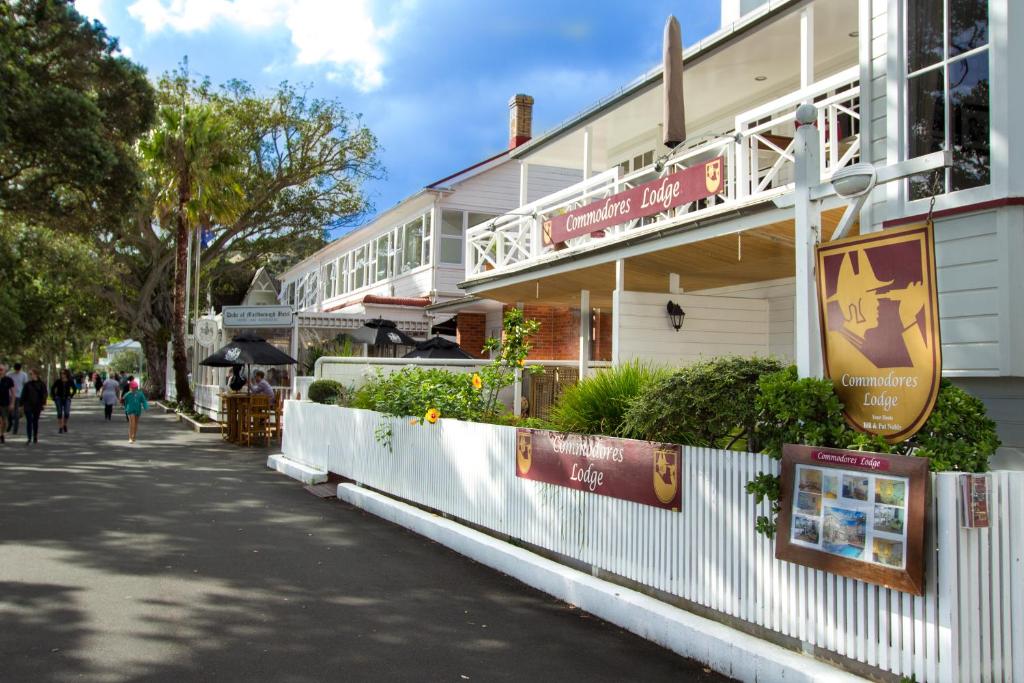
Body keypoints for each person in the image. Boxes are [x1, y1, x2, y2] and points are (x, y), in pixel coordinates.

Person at [21, 369, 47, 444]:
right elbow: (23, 394)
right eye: (30, 374)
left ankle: (35, 436)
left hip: (37, 405)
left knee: (35, 421)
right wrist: (21, 404)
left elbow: (44, 394)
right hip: (28, 405)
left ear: (36, 374)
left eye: (31, 374)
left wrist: (43, 403)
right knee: (29, 421)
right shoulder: (27, 384)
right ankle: (29, 437)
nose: (30, 375)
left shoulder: (41, 384)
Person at [50, 368, 78, 433]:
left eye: (64, 373)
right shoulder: (58, 381)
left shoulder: (70, 381)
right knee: (59, 413)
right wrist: (54, 397)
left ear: (67, 374)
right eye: (61, 373)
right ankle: (60, 427)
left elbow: (74, 389)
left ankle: (65, 424)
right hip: (58, 398)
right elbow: (53, 388)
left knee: (66, 413)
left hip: (67, 398)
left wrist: (70, 396)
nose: (62, 375)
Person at [6, 362, 28, 435]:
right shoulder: (9, 374)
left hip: (19, 396)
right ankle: (10, 423)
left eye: (18, 370)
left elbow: (25, 385)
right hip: (9, 395)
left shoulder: (24, 375)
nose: (17, 371)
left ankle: (15, 430)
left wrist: (25, 396)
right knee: (9, 412)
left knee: (16, 413)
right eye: (16, 369)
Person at [0, 364, 13, 444]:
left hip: (5, 403)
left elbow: (13, 392)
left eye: (1, 369)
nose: (0, 371)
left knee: (5, 422)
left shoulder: (8, 380)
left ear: (4, 371)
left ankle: (2, 434)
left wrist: (12, 403)